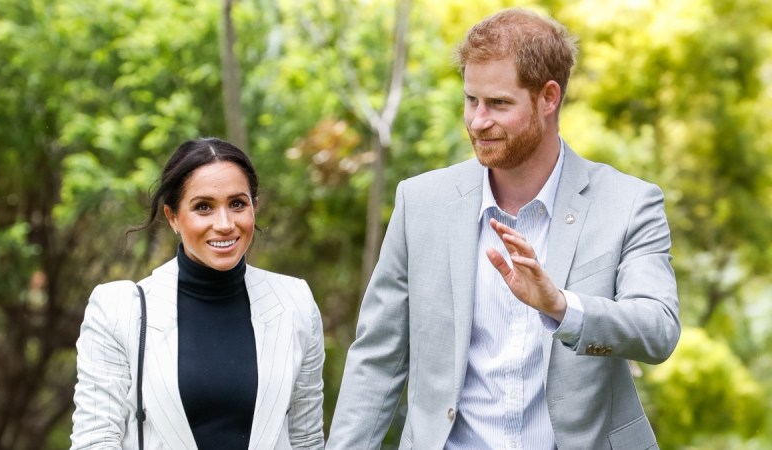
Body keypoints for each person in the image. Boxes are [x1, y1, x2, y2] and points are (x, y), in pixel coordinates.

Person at [327, 8, 679, 450]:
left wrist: (561, 307)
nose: (477, 121)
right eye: (471, 100)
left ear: (548, 98)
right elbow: (377, 359)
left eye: (498, 103)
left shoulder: (628, 202)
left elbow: (658, 329)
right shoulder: (420, 203)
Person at [71, 138, 325, 450]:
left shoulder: (295, 303)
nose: (224, 224)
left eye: (237, 204)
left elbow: (306, 440)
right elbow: (95, 440)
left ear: (254, 207)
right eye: (203, 207)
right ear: (173, 217)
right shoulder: (119, 311)